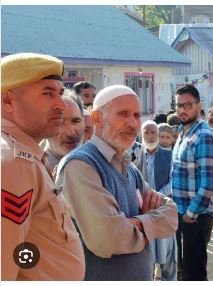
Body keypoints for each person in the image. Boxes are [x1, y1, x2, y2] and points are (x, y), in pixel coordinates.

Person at [56, 85, 178, 280]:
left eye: (137, 115)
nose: (132, 123)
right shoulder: (80, 166)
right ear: (96, 118)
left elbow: (171, 214)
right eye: (123, 114)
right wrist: (151, 224)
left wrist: (136, 223)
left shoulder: (130, 168)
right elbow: (109, 240)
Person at [1, 52, 85, 280]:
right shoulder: (12, 161)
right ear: (8, 101)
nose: (61, 105)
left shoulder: (24, 155)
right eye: (47, 93)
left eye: (59, 93)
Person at [172, 85, 213, 281]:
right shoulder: (184, 134)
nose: (182, 110)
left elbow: (209, 182)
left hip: (197, 216)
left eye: (188, 105)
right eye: (178, 105)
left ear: (199, 106)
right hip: (183, 213)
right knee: (184, 269)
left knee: (194, 273)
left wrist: (191, 214)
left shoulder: (204, 136)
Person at [136, 120, 177, 281]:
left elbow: (173, 180)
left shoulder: (169, 155)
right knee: (147, 256)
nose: (151, 136)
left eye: (154, 132)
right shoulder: (134, 154)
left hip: (163, 208)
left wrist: (158, 197)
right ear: (141, 134)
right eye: (147, 132)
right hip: (142, 211)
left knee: (168, 256)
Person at [44, 91, 84, 172]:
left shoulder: (97, 166)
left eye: (75, 121)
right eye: (61, 123)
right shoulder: (33, 170)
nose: (71, 133)